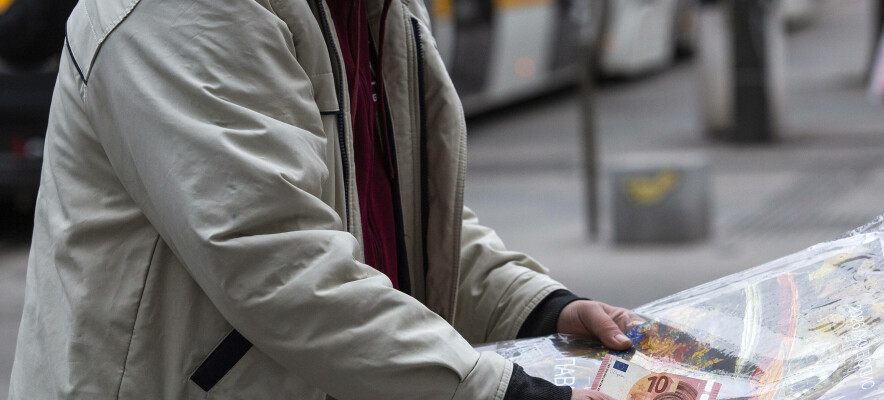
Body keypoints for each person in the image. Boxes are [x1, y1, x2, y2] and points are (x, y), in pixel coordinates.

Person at [7, 0, 639, 399]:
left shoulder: (378, 10)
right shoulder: (183, 12)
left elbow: (399, 213)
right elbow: (277, 258)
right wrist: (501, 391)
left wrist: (536, 308)